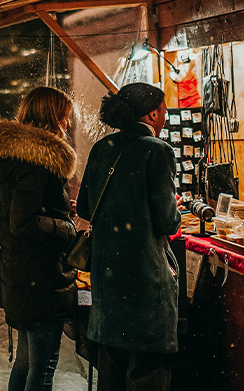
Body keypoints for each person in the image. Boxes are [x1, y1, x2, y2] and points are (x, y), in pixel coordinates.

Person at [76, 82, 182, 391]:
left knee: (112, 374)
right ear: (152, 114)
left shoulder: (101, 148)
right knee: (147, 374)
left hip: (109, 283)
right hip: (145, 284)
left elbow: (84, 206)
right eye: (164, 111)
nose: (165, 117)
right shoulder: (157, 150)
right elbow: (167, 220)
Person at [0, 87, 79, 391]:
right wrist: (67, 227)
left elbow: (26, 208)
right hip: (40, 277)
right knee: (42, 368)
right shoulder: (39, 160)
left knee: (25, 363)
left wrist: (60, 208)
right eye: (65, 116)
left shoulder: (16, 157)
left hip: (21, 273)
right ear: (53, 117)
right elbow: (23, 221)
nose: (69, 123)